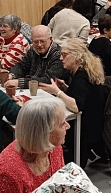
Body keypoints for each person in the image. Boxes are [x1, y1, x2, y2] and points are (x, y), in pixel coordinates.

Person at [40, 39, 106, 168]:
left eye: (64, 55)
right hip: (95, 123)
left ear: (76, 56)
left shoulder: (81, 77)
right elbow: (81, 95)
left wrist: (57, 91)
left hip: (85, 129)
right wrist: (65, 87)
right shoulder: (84, 71)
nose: (61, 58)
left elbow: (76, 107)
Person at [6, 26, 69, 90]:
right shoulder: (33, 50)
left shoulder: (59, 55)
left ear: (50, 39)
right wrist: (11, 75)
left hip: (51, 93)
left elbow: (48, 80)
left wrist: (19, 82)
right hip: (33, 90)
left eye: (42, 41)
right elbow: (22, 66)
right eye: (35, 42)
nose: (39, 45)